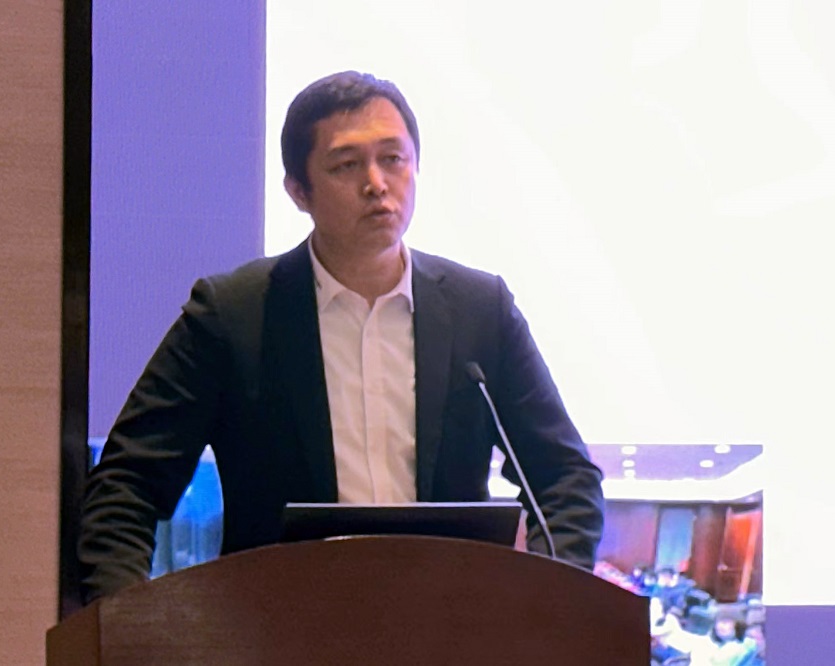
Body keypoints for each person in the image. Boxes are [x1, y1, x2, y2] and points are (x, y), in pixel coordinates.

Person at [78, 70, 605, 603]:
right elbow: (126, 484)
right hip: (280, 626)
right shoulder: (232, 316)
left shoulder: (480, 310)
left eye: (392, 158)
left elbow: (564, 478)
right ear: (298, 191)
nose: (376, 184)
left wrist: (544, 605)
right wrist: (124, 623)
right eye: (346, 165)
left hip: (449, 623)